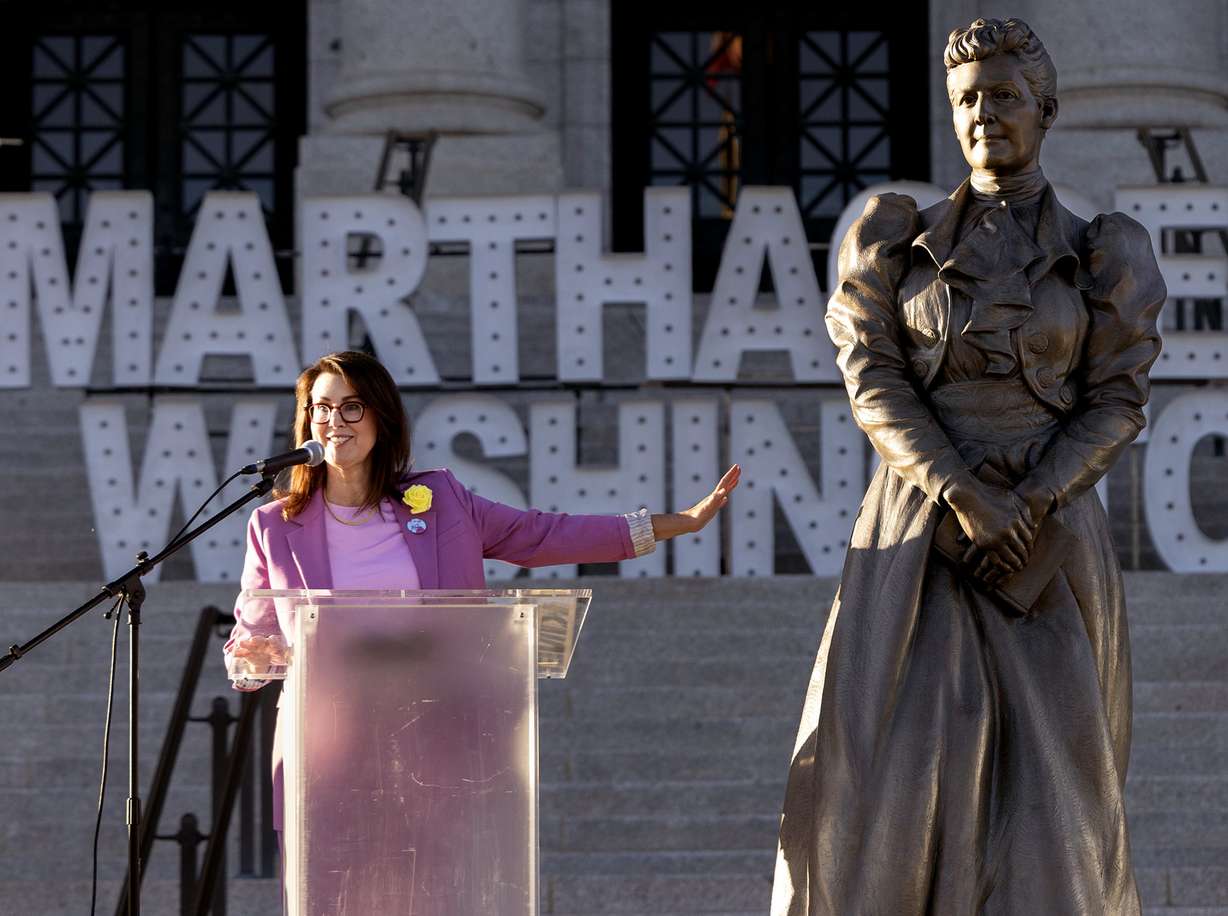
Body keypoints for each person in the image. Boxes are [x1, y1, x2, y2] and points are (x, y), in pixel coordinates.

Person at [772, 18, 1164, 916]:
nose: (984, 112)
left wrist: (1025, 500)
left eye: (1004, 94)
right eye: (967, 99)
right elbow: (872, 376)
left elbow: (1117, 398)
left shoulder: (1107, 246)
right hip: (919, 535)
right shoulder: (893, 235)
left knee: (1056, 797)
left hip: (1046, 538)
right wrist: (957, 488)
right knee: (902, 776)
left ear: (1047, 110)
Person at [223, 348, 740, 854]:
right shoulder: (274, 526)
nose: (335, 420)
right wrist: (253, 659)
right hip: (328, 755)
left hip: (436, 746)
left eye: (351, 405)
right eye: (321, 407)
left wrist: (678, 523)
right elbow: (250, 643)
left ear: (382, 416)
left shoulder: (440, 501)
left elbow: (544, 535)